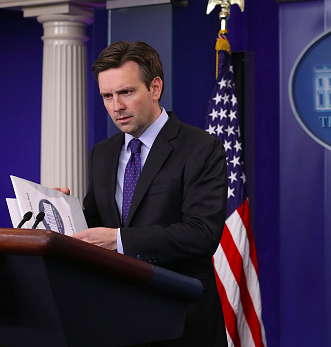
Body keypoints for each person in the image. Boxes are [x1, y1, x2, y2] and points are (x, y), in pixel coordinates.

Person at [70, 41, 228, 346]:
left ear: (155, 88)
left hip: (181, 319)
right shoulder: (102, 153)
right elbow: (94, 221)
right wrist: (61, 207)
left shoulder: (200, 148)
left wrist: (118, 241)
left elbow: (202, 233)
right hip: (116, 319)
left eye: (126, 92)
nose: (116, 106)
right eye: (107, 96)